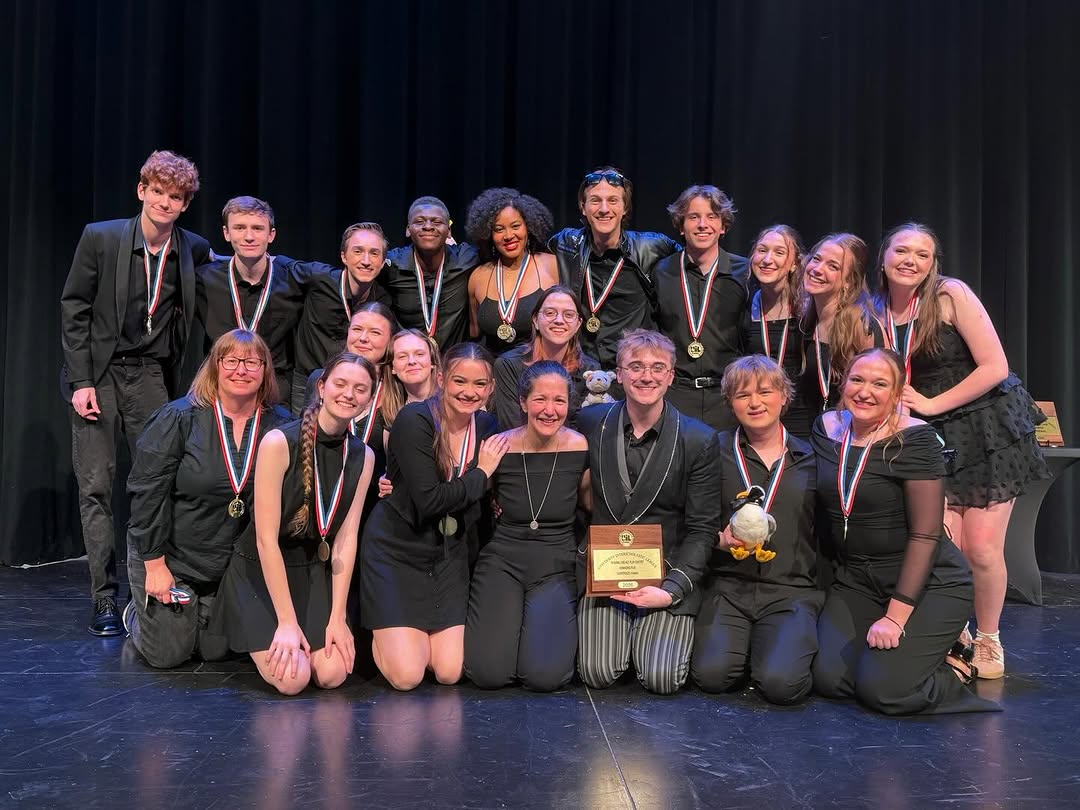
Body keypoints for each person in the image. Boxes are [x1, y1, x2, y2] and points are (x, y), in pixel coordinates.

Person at [875, 223, 1049, 679]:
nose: (911, 260)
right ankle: (957, 632)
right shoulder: (874, 310)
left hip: (984, 428)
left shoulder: (951, 295)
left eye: (923, 254)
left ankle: (989, 639)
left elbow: (996, 366)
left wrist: (931, 404)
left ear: (934, 264)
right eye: (902, 250)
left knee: (983, 549)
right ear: (884, 256)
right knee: (941, 545)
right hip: (926, 436)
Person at [60, 149, 211, 636]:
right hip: (99, 375)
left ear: (185, 203)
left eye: (176, 196)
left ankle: (149, 588)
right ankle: (104, 598)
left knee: (155, 484)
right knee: (97, 486)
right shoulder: (101, 238)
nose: (166, 202)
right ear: (142, 190)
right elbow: (75, 308)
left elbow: (238, 270)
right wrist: (81, 381)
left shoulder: (193, 248)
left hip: (150, 376)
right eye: (159, 192)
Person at [811, 348, 996, 714]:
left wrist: (895, 617)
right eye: (857, 380)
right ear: (843, 383)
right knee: (829, 681)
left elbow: (926, 536)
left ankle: (955, 668)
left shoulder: (915, 440)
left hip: (927, 583)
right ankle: (905, 660)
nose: (865, 391)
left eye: (880, 384)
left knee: (884, 691)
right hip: (858, 580)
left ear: (897, 394)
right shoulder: (827, 429)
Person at [124, 330, 291, 667]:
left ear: (265, 370)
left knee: (217, 651)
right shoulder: (179, 418)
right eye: (231, 360)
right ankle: (137, 613)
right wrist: (154, 564)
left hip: (229, 567)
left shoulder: (282, 425)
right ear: (215, 366)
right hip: (172, 557)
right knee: (168, 655)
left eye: (251, 362)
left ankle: (193, 615)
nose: (241, 370)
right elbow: (147, 494)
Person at [214, 353, 376, 694]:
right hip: (262, 569)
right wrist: (286, 622)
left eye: (361, 389)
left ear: (369, 398)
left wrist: (337, 618)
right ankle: (265, 632)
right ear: (321, 387)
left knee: (332, 674)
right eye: (341, 384)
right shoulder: (278, 442)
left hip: (311, 569)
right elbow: (264, 540)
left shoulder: (364, 455)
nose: (349, 394)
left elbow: (346, 540)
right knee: (293, 680)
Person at [575, 329, 723, 694]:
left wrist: (672, 590)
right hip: (607, 574)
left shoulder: (698, 438)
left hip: (665, 571)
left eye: (658, 368)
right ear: (619, 374)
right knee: (598, 672)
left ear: (671, 376)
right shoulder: (592, 424)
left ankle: (650, 632)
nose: (647, 376)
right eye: (636, 366)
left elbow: (703, 528)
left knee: (661, 679)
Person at [360, 343, 507, 691]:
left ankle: (411, 639)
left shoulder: (486, 425)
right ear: (440, 378)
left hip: (447, 554)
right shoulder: (415, 420)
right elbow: (430, 501)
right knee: (408, 676)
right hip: (397, 550)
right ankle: (387, 638)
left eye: (479, 384)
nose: (469, 392)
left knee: (449, 671)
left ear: (490, 389)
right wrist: (481, 474)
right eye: (459, 381)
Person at [690, 355, 820, 704]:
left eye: (765, 391)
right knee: (711, 677)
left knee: (781, 685)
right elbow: (693, 521)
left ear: (784, 396)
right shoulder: (711, 451)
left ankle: (771, 651)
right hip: (729, 586)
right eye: (742, 394)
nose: (755, 402)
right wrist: (719, 539)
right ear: (730, 403)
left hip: (790, 589)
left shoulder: (812, 458)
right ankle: (749, 648)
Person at [464, 362, 590, 691]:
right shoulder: (497, 447)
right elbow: (471, 492)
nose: (550, 410)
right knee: (488, 675)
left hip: (556, 563)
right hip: (503, 560)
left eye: (559, 401)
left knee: (544, 677)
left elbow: (590, 504)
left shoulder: (580, 447)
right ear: (522, 402)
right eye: (540, 400)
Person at [194, 196, 330, 408]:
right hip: (220, 389)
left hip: (274, 392)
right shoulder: (203, 279)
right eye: (239, 228)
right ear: (226, 233)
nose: (249, 236)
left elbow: (336, 280)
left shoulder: (292, 279)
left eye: (257, 228)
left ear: (271, 235)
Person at [548, 167, 679, 370]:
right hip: (578, 368)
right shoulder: (566, 244)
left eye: (612, 200)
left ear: (625, 207)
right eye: (595, 200)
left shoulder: (652, 247)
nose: (604, 209)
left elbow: (693, 263)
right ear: (583, 207)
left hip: (629, 371)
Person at [654, 185, 748, 431]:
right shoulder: (662, 272)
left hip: (727, 396)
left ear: (723, 226)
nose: (702, 224)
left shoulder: (745, 272)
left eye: (712, 217)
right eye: (693, 217)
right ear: (681, 226)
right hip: (676, 396)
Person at [292, 222, 393, 413]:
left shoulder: (383, 300)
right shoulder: (319, 279)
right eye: (357, 251)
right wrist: (218, 259)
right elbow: (276, 265)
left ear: (382, 261)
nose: (366, 260)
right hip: (308, 382)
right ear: (343, 256)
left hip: (352, 387)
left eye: (374, 253)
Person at [794, 233, 881, 423]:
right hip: (819, 429)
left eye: (833, 266)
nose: (817, 269)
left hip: (853, 430)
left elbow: (881, 387)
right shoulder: (807, 318)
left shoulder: (859, 322)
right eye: (816, 259)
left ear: (849, 282)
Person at [491, 286, 600, 430]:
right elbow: (511, 427)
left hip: (572, 449)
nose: (559, 320)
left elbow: (586, 427)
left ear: (578, 324)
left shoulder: (590, 370)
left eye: (568, 315)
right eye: (550, 313)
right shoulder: (508, 365)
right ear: (535, 320)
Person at [465, 187, 560, 352]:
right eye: (499, 229)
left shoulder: (552, 266)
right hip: (493, 371)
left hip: (537, 370)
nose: (508, 235)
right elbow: (474, 335)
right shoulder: (478, 277)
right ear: (489, 234)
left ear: (528, 227)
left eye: (515, 226)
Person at [738, 225, 810, 437]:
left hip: (801, 417)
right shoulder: (743, 306)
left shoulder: (809, 310)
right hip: (756, 413)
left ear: (794, 264)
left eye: (779, 252)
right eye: (762, 250)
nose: (767, 259)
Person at [382, 196, 479, 349]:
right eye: (419, 222)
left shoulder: (467, 259)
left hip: (452, 364)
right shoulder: (392, 264)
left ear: (449, 231)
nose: (428, 226)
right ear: (408, 230)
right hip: (408, 362)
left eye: (437, 222)